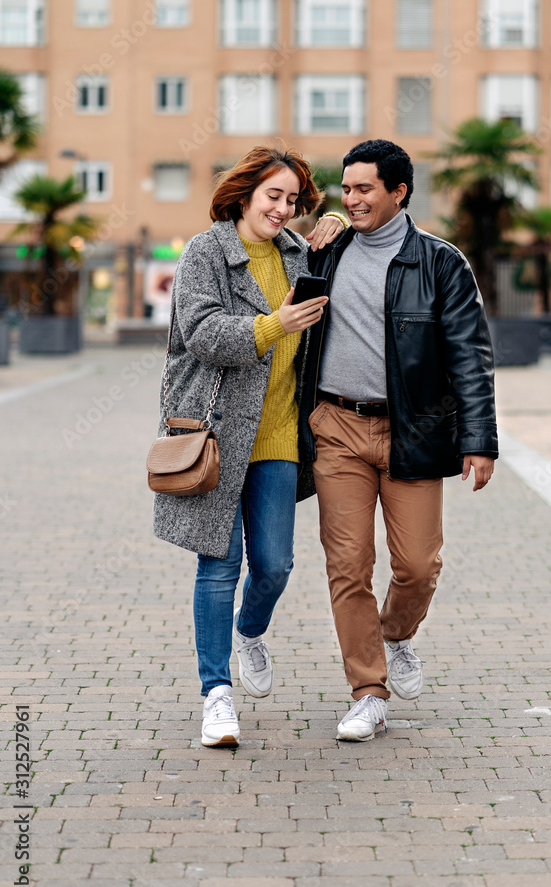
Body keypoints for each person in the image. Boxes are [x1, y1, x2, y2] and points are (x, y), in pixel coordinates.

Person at [300, 139, 497, 742]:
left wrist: (480, 437)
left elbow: (470, 353)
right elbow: (271, 240)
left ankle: (397, 634)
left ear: (398, 192)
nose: (351, 199)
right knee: (348, 564)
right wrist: (325, 220)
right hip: (335, 427)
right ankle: (367, 691)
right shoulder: (327, 251)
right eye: (346, 188)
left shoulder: (440, 263)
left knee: (416, 564)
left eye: (364, 189)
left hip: (414, 429)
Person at [153, 145, 346, 748]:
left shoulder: (295, 252)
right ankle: (217, 695)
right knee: (219, 563)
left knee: (275, 564)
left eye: (293, 200)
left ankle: (249, 631)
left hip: (280, 435)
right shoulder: (205, 252)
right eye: (274, 196)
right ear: (244, 195)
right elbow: (203, 332)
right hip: (214, 432)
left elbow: (343, 255)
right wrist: (273, 325)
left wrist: (334, 225)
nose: (284, 209)